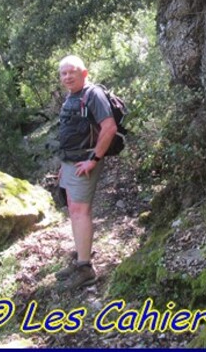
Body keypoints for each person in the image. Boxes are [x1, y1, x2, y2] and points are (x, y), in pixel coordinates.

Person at [54, 55, 117, 291]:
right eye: (63, 73)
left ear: (85, 73)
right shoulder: (72, 97)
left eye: (72, 72)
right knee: (73, 209)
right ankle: (81, 256)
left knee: (80, 211)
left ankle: (85, 269)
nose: (67, 76)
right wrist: (64, 166)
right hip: (72, 161)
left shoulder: (93, 95)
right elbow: (69, 133)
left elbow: (109, 127)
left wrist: (94, 159)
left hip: (85, 160)